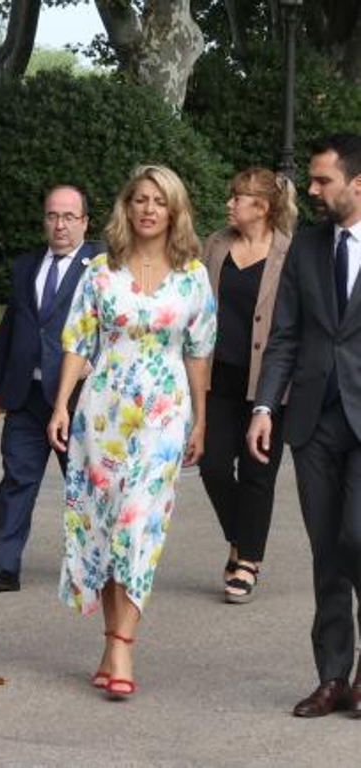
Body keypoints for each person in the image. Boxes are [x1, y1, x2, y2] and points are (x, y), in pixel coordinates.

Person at [49, 165, 216, 699]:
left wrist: (202, 419)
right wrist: (59, 406)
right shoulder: (100, 270)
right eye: (139, 199)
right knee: (105, 528)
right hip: (104, 413)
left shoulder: (193, 275)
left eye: (158, 201)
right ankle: (112, 638)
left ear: (174, 210)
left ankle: (123, 645)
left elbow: (199, 351)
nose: (148, 209)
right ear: (127, 207)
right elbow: (78, 340)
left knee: (139, 524)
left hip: (164, 414)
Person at [247, 133, 361, 718]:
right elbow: (285, 337)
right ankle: (334, 677)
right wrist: (265, 407)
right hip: (314, 422)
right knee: (326, 552)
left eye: (322, 181)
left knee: (357, 538)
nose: (311, 190)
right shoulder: (306, 249)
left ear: (357, 183)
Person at [0, 185, 99, 592]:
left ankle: (92, 568)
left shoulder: (101, 267)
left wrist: (97, 367)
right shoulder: (26, 266)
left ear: (84, 222)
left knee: (82, 485)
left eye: (68, 217)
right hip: (26, 396)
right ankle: (4, 568)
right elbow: (11, 326)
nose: (59, 225)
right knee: (16, 479)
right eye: (52, 216)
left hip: (78, 399)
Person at [199, 168, 296, 604]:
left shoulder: (290, 253)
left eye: (238, 198)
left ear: (262, 206)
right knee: (212, 464)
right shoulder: (216, 245)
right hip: (217, 378)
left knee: (258, 473)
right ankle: (242, 537)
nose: (229, 204)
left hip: (269, 384)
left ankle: (248, 561)